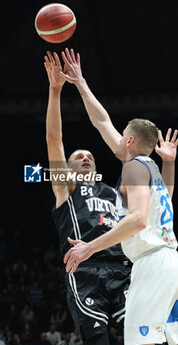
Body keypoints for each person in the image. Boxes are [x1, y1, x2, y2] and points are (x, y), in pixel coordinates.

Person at [61, 48, 178, 345]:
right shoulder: (149, 166)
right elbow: (102, 122)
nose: (115, 135)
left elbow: (139, 220)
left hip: (153, 266)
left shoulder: (133, 168)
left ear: (129, 140)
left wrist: (89, 247)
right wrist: (80, 83)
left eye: (121, 133)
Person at [44, 51, 132, 345]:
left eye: (90, 156)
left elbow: (110, 131)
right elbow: (54, 139)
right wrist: (55, 91)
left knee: (147, 335)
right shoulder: (65, 189)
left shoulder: (113, 192)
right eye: (78, 156)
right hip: (85, 270)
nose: (85, 158)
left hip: (122, 267)